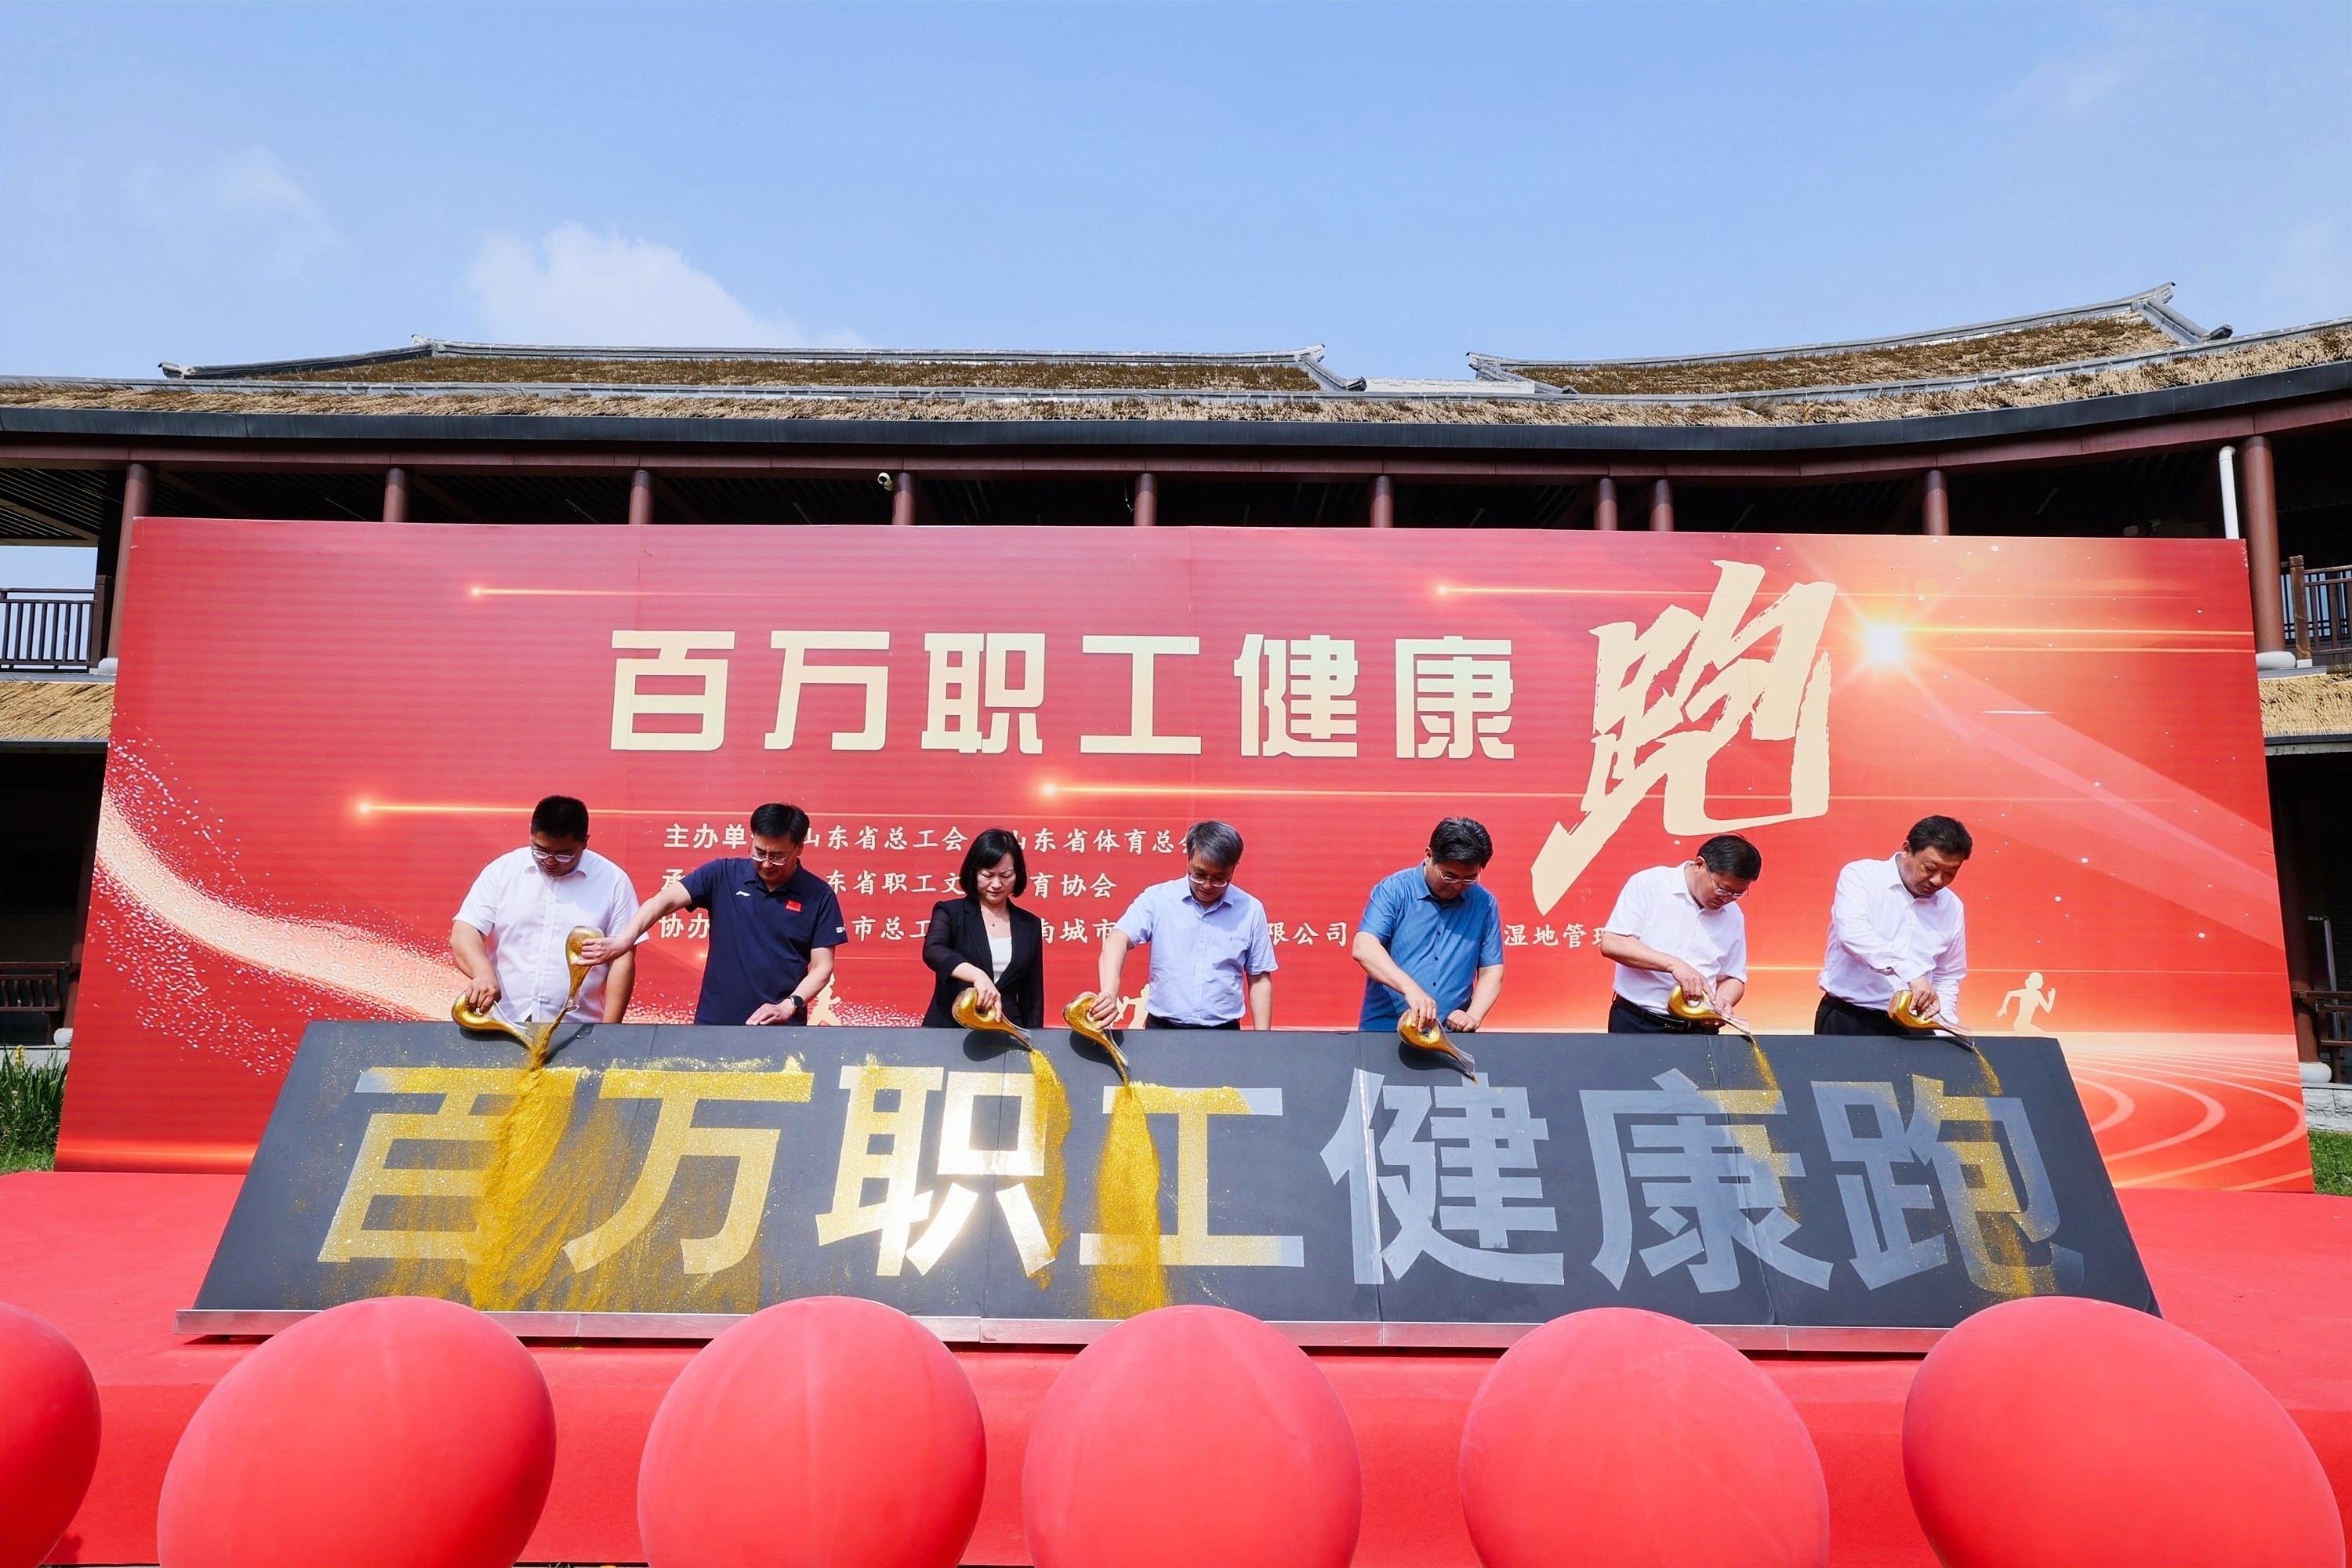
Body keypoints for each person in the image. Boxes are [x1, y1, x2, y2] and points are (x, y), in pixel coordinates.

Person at [581, 802, 846, 1025]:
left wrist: (789, 1005)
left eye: (778, 856)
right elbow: (662, 901)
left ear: (799, 847)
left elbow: (822, 967)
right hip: (715, 1023)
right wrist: (625, 939)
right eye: (759, 852)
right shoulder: (723, 874)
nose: (766, 863)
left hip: (780, 1026)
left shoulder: (818, 895)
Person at [451, 794, 641, 1026]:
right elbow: (465, 931)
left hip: (577, 1027)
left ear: (584, 842)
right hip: (501, 1021)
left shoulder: (613, 882)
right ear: (531, 833)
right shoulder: (503, 871)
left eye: (563, 855)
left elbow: (623, 959)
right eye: (540, 850)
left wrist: (609, 1032)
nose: (550, 861)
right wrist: (482, 974)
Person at [1090, 822, 1276, 1030]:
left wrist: (1263, 1041)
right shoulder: (1159, 899)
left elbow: (1259, 978)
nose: (1207, 885)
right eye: (1199, 874)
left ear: (1234, 868)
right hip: (1163, 1029)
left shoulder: (1250, 910)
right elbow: (1117, 939)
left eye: (1219, 878)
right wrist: (1109, 992)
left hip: (1224, 1032)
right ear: (1188, 859)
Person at [1816, 815, 1973, 1036]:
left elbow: (1948, 975)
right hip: (1849, 1018)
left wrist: (1943, 1025)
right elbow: (1853, 933)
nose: (1938, 880)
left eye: (1950, 873)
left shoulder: (1952, 906)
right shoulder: (1862, 876)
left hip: (1916, 1025)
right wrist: (1911, 973)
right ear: (1907, 849)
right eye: (1929, 868)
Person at [1352, 817, 1504, 1034]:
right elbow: (1364, 947)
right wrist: (1410, 989)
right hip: (1386, 1030)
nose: (1458, 886)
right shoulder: (1395, 890)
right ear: (1429, 856)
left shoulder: (1484, 903)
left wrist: (1473, 1015)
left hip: (1448, 1036)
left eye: (1469, 878)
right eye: (1449, 876)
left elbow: (1491, 972)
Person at [1595, 835, 1759, 1034]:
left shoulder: (1733, 915)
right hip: (1638, 1022)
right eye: (1722, 889)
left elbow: (1732, 977)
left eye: (1737, 894)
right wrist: (1674, 965)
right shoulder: (1649, 884)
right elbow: (1613, 942)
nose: (1726, 899)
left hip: (1699, 1029)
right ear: (1699, 865)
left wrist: (1723, 1002)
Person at [922, 827, 1046, 1029]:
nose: (996, 884)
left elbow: (1032, 997)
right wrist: (977, 975)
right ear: (974, 872)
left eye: (1005, 875)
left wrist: (1034, 1040)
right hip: (950, 1028)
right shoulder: (951, 912)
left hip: (1005, 1030)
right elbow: (933, 950)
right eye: (988, 875)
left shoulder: (1029, 924)